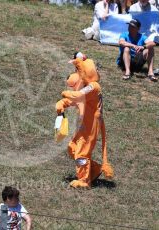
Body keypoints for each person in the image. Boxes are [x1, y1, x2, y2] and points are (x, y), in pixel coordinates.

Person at [55, 52, 114, 188]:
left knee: (82, 152)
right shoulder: (87, 86)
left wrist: (65, 93)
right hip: (83, 124)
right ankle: (94, 169)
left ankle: (84, 181)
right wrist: (62, 103)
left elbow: (77, 95)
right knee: (72, 147)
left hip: (91, 125)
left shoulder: (94, 86)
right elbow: (76, 100)